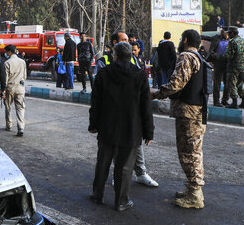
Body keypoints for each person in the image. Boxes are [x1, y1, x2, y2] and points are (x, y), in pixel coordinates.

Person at [89, 42, 154, 211]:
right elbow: (146, 106)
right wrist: (149, 132)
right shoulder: (140, 75)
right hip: (131, 129)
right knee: (125, 167)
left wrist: (93, 124)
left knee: (103, 162)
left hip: (107, 126)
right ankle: (121, 201)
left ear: (115, 56)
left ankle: (97, 195)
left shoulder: (103, 73)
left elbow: (96, 102)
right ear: (131, 56)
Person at [152, 29, 210, 209]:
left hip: (188, 112)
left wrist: (156, 94)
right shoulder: (199, 57)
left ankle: (195, 195)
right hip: (198, 110)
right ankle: (193, 189)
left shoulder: (186, 57)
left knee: (189, 152)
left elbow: (177, 84)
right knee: (194, 150)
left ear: (185, 40)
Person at [97, 31, 158, 188]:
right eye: (124, 40)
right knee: (115, 146)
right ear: (115, 42)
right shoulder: (104, 61)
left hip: (131, 112)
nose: (129, 43)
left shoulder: (135, 61)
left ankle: (141, 173)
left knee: (135, 144)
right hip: (112, 112)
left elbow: (141, 89)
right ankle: (116, 177)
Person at [222, 26, 244, 109]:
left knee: (232, 84)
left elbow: (228, 55)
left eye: (229, 33)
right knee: (240, 84)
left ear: (233, 33)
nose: (228, 35)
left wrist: (217, 56)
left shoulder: (233, 42)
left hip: (234, 66)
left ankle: (234, 102)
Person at [3, 44, 27, 136]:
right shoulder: (22, 62)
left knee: (8, 106)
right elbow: (24, 76)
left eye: (6, 52)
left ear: (9, 52)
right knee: (20, 108)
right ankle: (21, 127)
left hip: (10, 88)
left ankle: (9, 125)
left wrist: (3, 90)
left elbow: (5, 79)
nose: (5, 54)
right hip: (20, 88)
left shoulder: (7, 63)